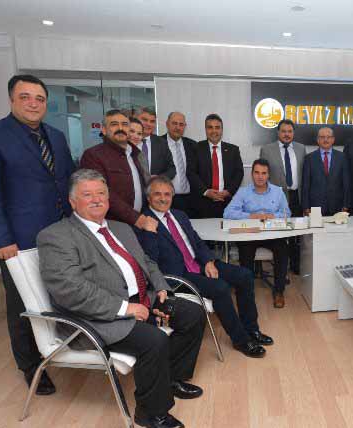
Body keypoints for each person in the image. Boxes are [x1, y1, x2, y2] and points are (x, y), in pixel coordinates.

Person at [38, 169, 205, 428]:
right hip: (96, 317)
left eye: (101, 193)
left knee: (193, 314)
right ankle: (150, 413)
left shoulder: (121, 228)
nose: (96, 199)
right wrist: (125, 308)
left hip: (143, 298)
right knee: (155, 340)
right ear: (72, 201)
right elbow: (70, 290)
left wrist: (160, 286)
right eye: (87, 195)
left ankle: (170, 378)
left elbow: (146, 261)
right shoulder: (56, 236)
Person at [0, 74, 75, 395]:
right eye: (25, 97)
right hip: (18, 240)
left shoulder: (56, 136)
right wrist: (2, 239)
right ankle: (31, 367)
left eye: (39, 98)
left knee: (55, 294)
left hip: (59, 235)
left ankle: (59, 347)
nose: (33, 103)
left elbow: (66, 181)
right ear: (11, 100)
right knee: (23, 305)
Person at [135, 176, 273, 358]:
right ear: (148, 197)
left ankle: (252, 329)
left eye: (167, 194)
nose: (163, 198)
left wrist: (208, 260)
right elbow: (149, 260)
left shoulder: (179, 215)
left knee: (245, 275)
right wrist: (150, 233)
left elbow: (197, 242)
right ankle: (241, 340)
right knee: (220, 288)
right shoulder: (143, 222)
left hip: (199, 264)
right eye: (157, 194)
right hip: (179, 276)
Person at [224, 159, 291, 308]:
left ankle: (279, 291)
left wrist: (273, 216)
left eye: (264, 173)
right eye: (257, 172)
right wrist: (250, 216)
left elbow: (287, 213)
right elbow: (227, 212)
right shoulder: (243, 192)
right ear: (252, 174)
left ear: (268, 175)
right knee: (245, 251)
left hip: (271, 234)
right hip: (250, 234)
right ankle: (247, 292)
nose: (260, 176)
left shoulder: (277, 192)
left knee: (283, 249)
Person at [80, 110, 158, 231]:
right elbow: (103, 193)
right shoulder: (93, 155)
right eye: (114, 124)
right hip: (113, 225)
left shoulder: (135, 154)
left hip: (139, 223)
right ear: (104, 130)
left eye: (125, 124)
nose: (120, 128)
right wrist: (136, 218)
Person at [260, 119, 306, 273]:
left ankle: (295, 266)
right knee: (279, 234)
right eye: (284, 131)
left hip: (297, 197)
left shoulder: (301, 148)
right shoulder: (267, 149)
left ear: (293, 133)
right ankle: (280, 269)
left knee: (296, 233)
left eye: (290, 131)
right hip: (276, 199)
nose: (287, 134)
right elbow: (263, 176)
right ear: (278, 132)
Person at [187, 114, 244, 218]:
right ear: (205, 129)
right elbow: (191, 173)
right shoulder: (196, 148)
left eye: (217, 127)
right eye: (210, 127)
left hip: (227, 202)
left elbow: (239, 173)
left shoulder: (233, 150)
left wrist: (228, 191)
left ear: (222, 130)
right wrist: (206, 192)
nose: (214, 131)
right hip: (202, 203)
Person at [301, 127, 351, 216]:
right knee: (316, 226)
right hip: (315, 206)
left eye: (328, 137)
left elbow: (346, 183)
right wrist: (306, 207)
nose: (325, 140)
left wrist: (346, 205)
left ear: (333, 139)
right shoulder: (309, 158)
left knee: (337, 226)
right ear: (318, 140)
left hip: (337, 205)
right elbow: (305, 185)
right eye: (322, 137)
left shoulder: (342, 157)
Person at [161, 112, 198, 218]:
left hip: (190, 200)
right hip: (166, 199)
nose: (178, 127)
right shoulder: (158, 143)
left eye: (181, 124)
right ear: (167, 124)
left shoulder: (193, 145)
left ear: (185, 126)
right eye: (174, 123)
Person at [137, 107, 176, 179]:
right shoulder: (128, 141)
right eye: (145, 120)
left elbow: (172, 169)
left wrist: (158, 178)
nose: (148, 124)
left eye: (152, 121)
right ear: (136, 120)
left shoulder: (162, 143)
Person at [128, 116, 152, 183]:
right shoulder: (115, 154)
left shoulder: (141, 155)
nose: (136, 136)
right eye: (132, 131)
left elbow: (147, 180)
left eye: (139, 134)